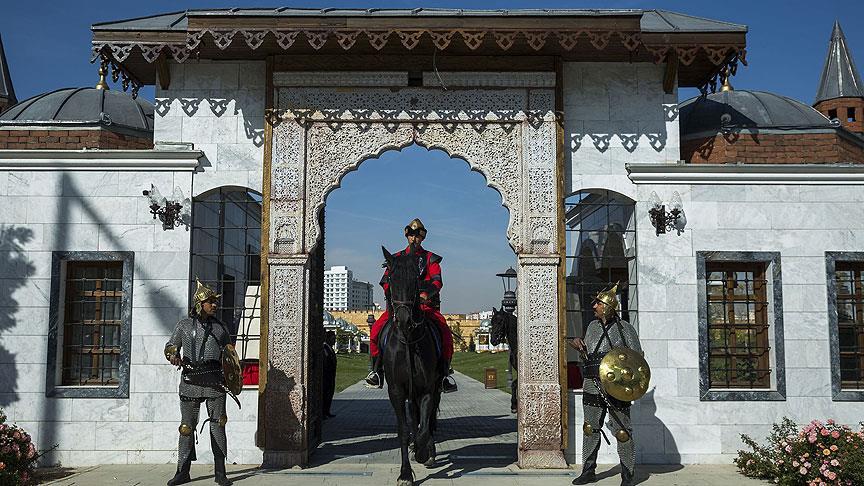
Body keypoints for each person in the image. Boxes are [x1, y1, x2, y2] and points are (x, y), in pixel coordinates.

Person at [365, 218, 456, 393]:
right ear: (407, 236)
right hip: (399, 306)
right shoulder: (396, 258)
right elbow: (385, 281)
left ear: (422, 238)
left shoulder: (430, 258)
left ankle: (444, 373)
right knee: (375, 331)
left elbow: (437, 282)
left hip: (425, 307)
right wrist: (393, 294)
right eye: (411, 236)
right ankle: (376, 371)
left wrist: (425, 295)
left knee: (445, 333)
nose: (414, 239)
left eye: (417, 236)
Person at [567, 284, 642, 486]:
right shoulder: (592, 327)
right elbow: (588, 357)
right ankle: (588, 471)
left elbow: (636, 358)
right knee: (590, 428)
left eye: (598, 303)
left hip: (616, 387)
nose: (594, 306)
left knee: (622, 431)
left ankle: (628, 475)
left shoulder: (626, 329)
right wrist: (580, 346)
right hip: (592, 382)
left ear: (608, 306)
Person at [164, 279, 234, 486]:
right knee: (186, 427)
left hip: (214, 382)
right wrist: (173, 354)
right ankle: (182, 471)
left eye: (215, 301)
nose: (215, 305)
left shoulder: (221, 328)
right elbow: (170, 346)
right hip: (191, 381)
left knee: (218, 425)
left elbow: (230, 356)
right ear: (200, 304)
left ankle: (220, 473)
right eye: (210, 302)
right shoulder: (184, 326)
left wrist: (232, 378)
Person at [322, 330, 337, 419]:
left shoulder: (330, 349)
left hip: (331, 376)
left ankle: (327, 411)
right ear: (327, 339)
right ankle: (323, 412)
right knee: (325, 394)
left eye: (335, 339)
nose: (334, 341)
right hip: (326, 376)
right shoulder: (325, 348)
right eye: (333, 339)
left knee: (330, 394)